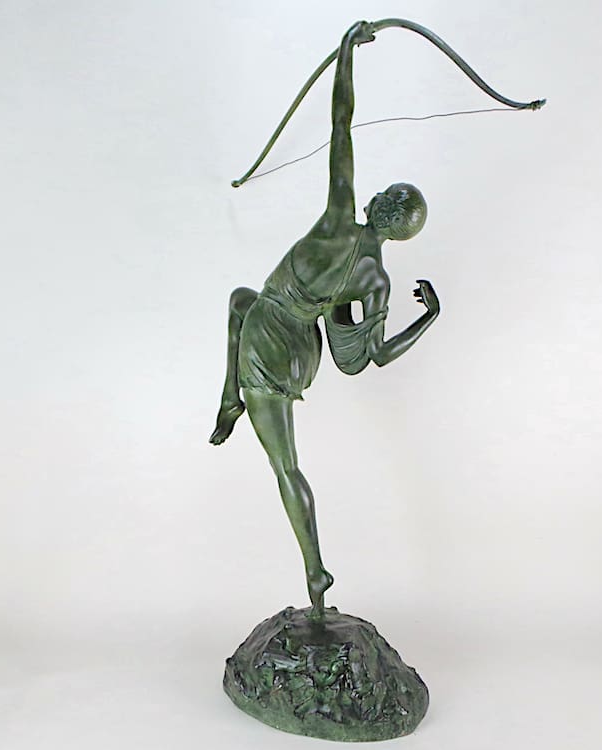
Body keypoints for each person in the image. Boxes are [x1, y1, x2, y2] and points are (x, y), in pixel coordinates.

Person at [210, 20, 440, 618]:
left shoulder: (341, 220)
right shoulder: (377, 280)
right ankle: (231, 398)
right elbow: (375, 355)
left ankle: (315, 569)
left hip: (272, 337)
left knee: (286, 466)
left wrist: (345, 53)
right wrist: (428, 318)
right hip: (302, 347)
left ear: (379, 203)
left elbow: (341, 124)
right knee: (238, 300)